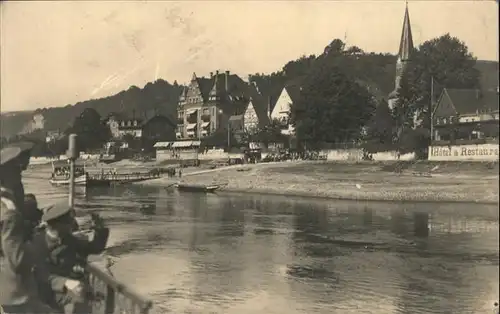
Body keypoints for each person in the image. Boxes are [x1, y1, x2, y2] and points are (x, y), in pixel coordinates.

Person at [32, 202, 110, 314]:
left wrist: (99, 229)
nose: (73, 224)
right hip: (40, 295)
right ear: (57, 225)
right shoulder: (37, 243)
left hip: (61, 293)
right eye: (69, 222)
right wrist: (65, 282)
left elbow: (94, 248)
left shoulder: (68, 239)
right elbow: (40, 274)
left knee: (87, 299)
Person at [1, 146, 52, 314]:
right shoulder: (9, 212)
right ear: (6, 174)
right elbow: (18, 260)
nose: (21, 172)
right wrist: (40, 240)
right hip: (15, 294)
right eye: (16, 169)